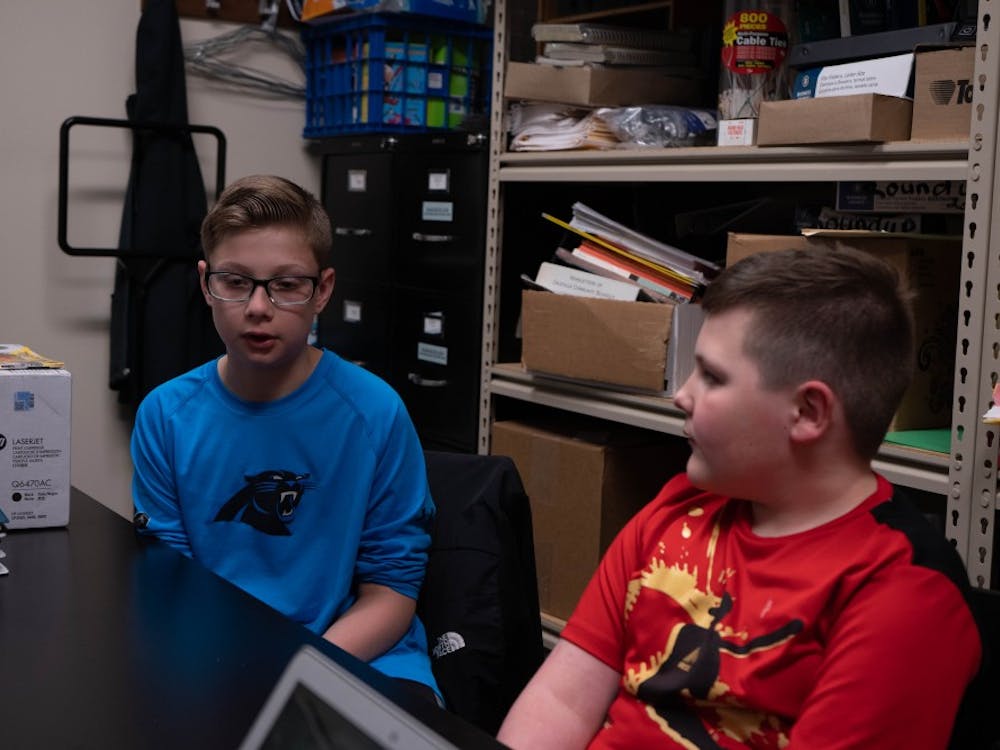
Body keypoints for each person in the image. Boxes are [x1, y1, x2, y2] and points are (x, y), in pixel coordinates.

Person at [497, 247, 982, 749]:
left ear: (808, 411)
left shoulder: (901, 590)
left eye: (712, 376)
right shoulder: (678, 507)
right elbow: (562, 701)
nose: (682, 395)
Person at [130, 174, 440, 701]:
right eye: (235, 282)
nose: (258, 307)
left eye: (287, 285)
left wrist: (301, 671)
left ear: (322, 290)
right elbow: (175, 581)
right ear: (206, 284)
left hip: (359, 653)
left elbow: (391, 590)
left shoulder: (374, 411)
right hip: (217, 653)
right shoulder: (166, 416)